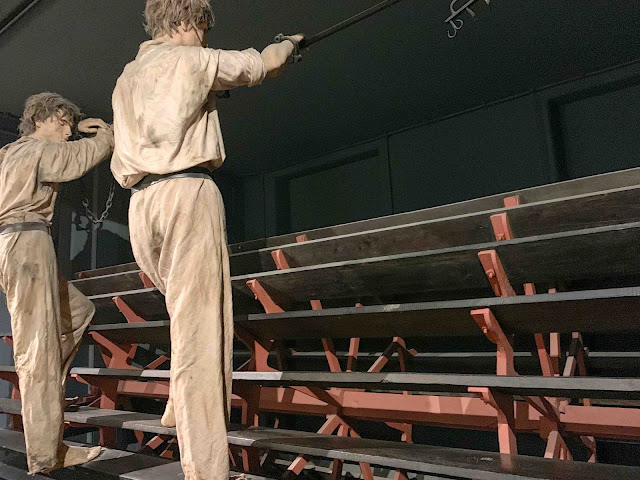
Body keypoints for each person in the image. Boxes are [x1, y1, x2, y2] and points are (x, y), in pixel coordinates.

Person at [111, 0, 302, 478]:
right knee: (201, 334)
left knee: (184, 316)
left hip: (141, 207)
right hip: (185, 194)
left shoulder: (126, 77)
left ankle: (178, 408)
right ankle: (207, 471)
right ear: (186, 21)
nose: (205, 37)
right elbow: (264, 63)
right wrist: (288, 44)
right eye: (202, 28)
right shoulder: (192, 58)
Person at [0, 92, 114, 474]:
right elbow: (75, 159)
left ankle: (44, 380)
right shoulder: (37, 150)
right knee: (39, 351)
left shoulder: (7, 153)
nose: (67, 132)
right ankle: (48, 454)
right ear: (41, 119)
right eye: (63, 123)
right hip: (27, 243)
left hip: (14, 245)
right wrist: (104, 136)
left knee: (78, 312)